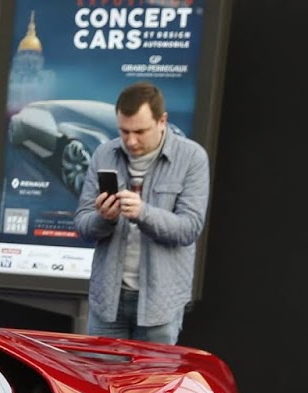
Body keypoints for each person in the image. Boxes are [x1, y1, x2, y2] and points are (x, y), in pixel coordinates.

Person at [73, 81, 210, 345]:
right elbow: (82, 225)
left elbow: (189, 228)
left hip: (159, 304)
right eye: (124, 131)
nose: (131, 141)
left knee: (153, 374)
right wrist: (104, 218)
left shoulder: (192, 157)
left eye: (140, 131)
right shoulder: (104, 153)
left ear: (162, 121)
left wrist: (143, 212)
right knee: (100, 372)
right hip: (107, 302)